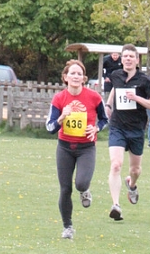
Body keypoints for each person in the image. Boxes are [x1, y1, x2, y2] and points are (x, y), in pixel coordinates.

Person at [46, 59, 108, 239]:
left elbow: (105, 119)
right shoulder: (59, 99)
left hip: (86, 148)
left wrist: (96, 128)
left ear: (84, 78)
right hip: (65, 147)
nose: (76, 76)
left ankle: (84, 190)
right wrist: (61, 118)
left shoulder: (94, 97)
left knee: (81, 183)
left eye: (79, 74)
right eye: (72, 73)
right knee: (65, 189)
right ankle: (68, 227)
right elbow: (50, 127)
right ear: (65, 77)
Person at [106, 44, 150, 221]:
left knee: (135, 169)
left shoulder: (144, 81)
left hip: (136, 129)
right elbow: (115, 89)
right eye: (125, 56)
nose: (128, 59)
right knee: (116, 164)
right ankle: (116, 205)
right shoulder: (116, 75)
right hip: (117, 127)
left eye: (131, 56)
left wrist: (136, 98)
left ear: (137, 60)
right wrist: (108, 104)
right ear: (121, 59)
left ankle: (132, 184)